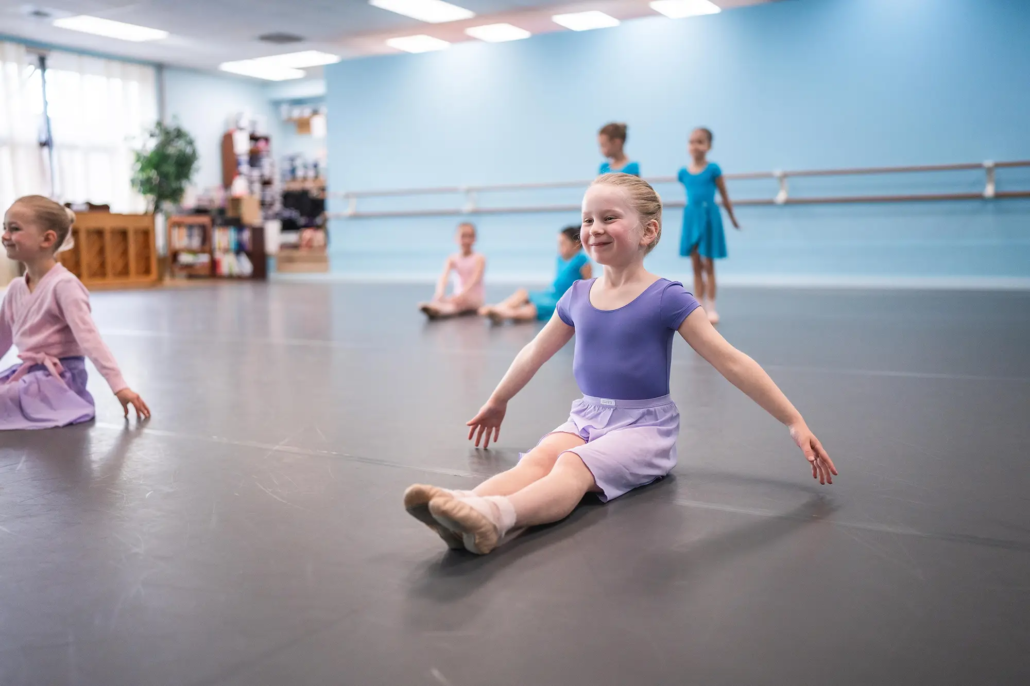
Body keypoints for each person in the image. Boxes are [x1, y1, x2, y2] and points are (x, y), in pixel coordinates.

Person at [404, 174, 836, 555]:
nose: (594, 229)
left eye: (609, 218)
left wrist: (794, 421)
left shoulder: (667, 298)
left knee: (572, 466)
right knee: (538, 460)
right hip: (587, 416)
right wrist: (499, 399)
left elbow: (732, 362)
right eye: (588, 220)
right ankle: (463, 507)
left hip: (644, 430)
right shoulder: (576, 295)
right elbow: (534, 352)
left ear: (648, 231)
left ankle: (497, 516)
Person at [1, 195, 150, 430]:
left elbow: (90, 340)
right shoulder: (15, 289)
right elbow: (2, 339)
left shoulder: (64, 286)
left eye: (14, 229)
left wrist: (119, 386)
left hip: (60, 381)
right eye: (4, 228)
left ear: (47, 239)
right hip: (29, 375)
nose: (5, 236)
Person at [678, 127, 740, 324]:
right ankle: (699, 306)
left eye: (700, 141)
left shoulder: (714, 170)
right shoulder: (682, 173)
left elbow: (724, 195)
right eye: (691, 141)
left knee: (709, 264)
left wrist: (732, 218)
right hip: (691, 217)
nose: (695, 146)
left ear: (709, 146)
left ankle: (711, 307)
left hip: (709, 217)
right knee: (695, 264)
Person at [478, 226, 591, 324]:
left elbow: (587, 286)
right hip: (551, 294)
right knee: (522, 293)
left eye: (563, 243)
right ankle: (498, 308)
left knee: (532, 308)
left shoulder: (582, 260)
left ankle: (505, 313)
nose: (560, 247)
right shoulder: (560, 259)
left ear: (576, 244)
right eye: (559, 244)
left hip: (563, 300)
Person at [419, 222, 486, 319]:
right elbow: (444, 277)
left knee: (455, 304)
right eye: (463, 236)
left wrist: (462, 294)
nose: (466, 240)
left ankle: (438, 310)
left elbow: (475, 279)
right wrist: (439, 293)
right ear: (456, 238)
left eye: (470, 236)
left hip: (474, 298)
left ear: (474, 239)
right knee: (451, 301)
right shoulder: (452, 259)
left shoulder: (479, 258)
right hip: (457, 297)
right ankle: (437, 307)